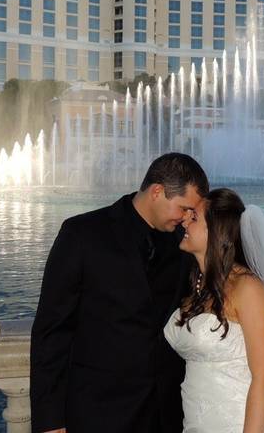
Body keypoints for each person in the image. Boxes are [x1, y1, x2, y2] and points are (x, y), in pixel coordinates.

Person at [29, 153, 209, 433]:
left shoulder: (184, 246)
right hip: (97, 413)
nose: (187, 219)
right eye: (184, 208)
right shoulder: (81, 234)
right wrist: (50, 421)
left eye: (192, 213)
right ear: (157, 191)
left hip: (167, 415)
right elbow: (51, 333)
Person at [164, 188, 264, 433]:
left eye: (194, 217)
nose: (185, 220)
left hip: (241, 423)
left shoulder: (248, 289)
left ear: (217, 232)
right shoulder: (197, 286)